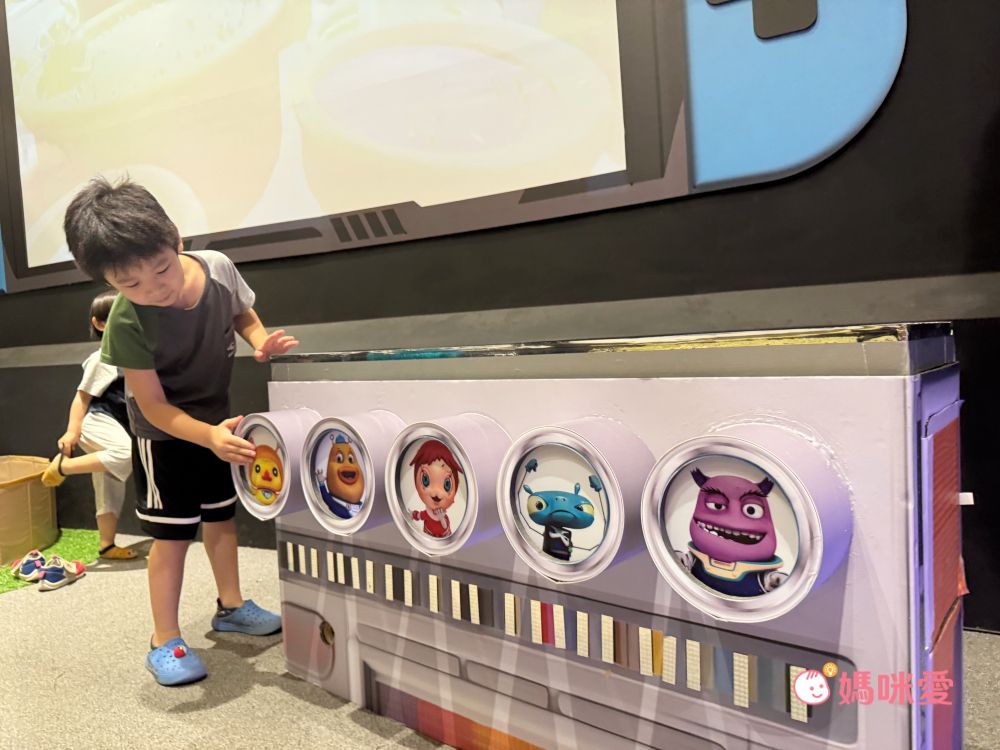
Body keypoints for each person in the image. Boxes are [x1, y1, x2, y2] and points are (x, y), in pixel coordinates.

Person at [63, 176, 299, 686]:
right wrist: (207, 436)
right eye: (131, 284)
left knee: (222, 517)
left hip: (218, 425)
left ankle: (231, 606)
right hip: (164, 437)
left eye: (162, 269)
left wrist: (260, 341)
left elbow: (242, 311)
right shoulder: (126, 322)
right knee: (172, 537)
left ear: (176, 239)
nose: (155, 289)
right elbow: (151, 405)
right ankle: (164, 638)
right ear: (109, 283)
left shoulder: (217, 267)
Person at [41, 290, 137, 560]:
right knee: (126, 454)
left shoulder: (134, 354)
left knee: (110, 486)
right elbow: (82, 397)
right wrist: (73, 431)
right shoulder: (103, 357)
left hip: (116, 424)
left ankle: (106, 545)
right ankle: (63, 466)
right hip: (97, 421)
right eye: (119, 317)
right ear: (100, 324)